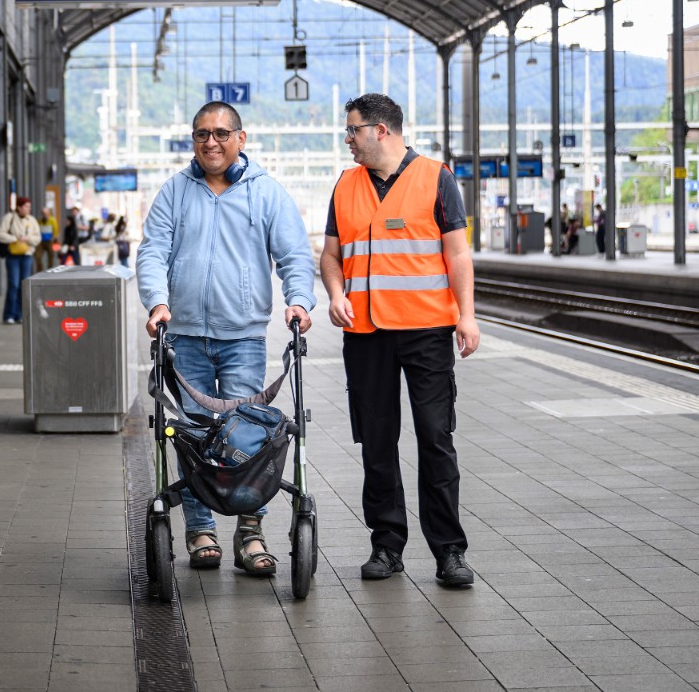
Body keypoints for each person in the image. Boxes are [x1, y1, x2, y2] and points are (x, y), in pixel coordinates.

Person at [137, 100, 316, 577]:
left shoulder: (267, 193)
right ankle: (201, 531)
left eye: (220, 133)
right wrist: (157, 302)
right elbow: (152, 251)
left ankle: (250, 532)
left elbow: (295, 256)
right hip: (184, 337)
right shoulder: (175, 191)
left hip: (243, 339)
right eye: (202, 134)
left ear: (241, 138)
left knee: (247, 438)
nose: (211, 142)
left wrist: (300, 301)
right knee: (194, 437)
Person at [319, 93, 480, 588]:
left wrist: (467, 317)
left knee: (436, 438)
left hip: (426, 330)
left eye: (353, 130)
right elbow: (330, 255)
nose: (348, 139)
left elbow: (457, 254)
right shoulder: (346, 184)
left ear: (381, 130)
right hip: (365, 334)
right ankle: (387, 546)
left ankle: (449, 551)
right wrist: (336, 294)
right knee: (376, 442)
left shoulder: (436, 177)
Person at [0, 197, 41, 324]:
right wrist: (15, 238)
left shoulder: (32, 220)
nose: (28, 209)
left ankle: (20, 315)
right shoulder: (9, 218)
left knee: (23, 285)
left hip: (27, 255)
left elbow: (38, 238)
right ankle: (9, 315)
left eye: (29, 206)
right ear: (19, 207)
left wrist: (27, 239)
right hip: (13, 255)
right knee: (13, 284)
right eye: (26, 206)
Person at [35, 206, 60, 272]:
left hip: (50, 241)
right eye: (43, 213)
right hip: (41, 241)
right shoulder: (40, 221)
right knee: (37, 255)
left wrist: (54, 238)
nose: (44, 215)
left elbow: (55, 230)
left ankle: (50, 269)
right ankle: (40, 270)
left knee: (51, 256)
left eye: (46, 213)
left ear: (49, 213)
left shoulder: (52, 220)